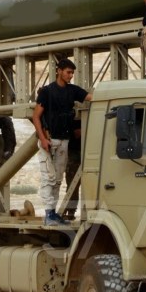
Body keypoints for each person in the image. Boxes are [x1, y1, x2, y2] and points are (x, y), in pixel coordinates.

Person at [32, 58, 92, 226]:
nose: (70, 75)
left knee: (58, 179)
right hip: (49, 139)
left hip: (63, 141)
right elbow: (36, 116)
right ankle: (48, 213)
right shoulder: (47, 91)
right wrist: (43, 139)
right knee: (48, 178)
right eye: (68, 72)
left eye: (72, 73)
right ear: (59, 71)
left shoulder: (73, 90)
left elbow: (91, 97)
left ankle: (53, 213)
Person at [62, 120, 82, 221]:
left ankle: (70, 211)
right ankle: (70, 211)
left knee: (72, 185)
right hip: (75, 152)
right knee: (72, 185)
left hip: (76, 152)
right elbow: (77, 133)